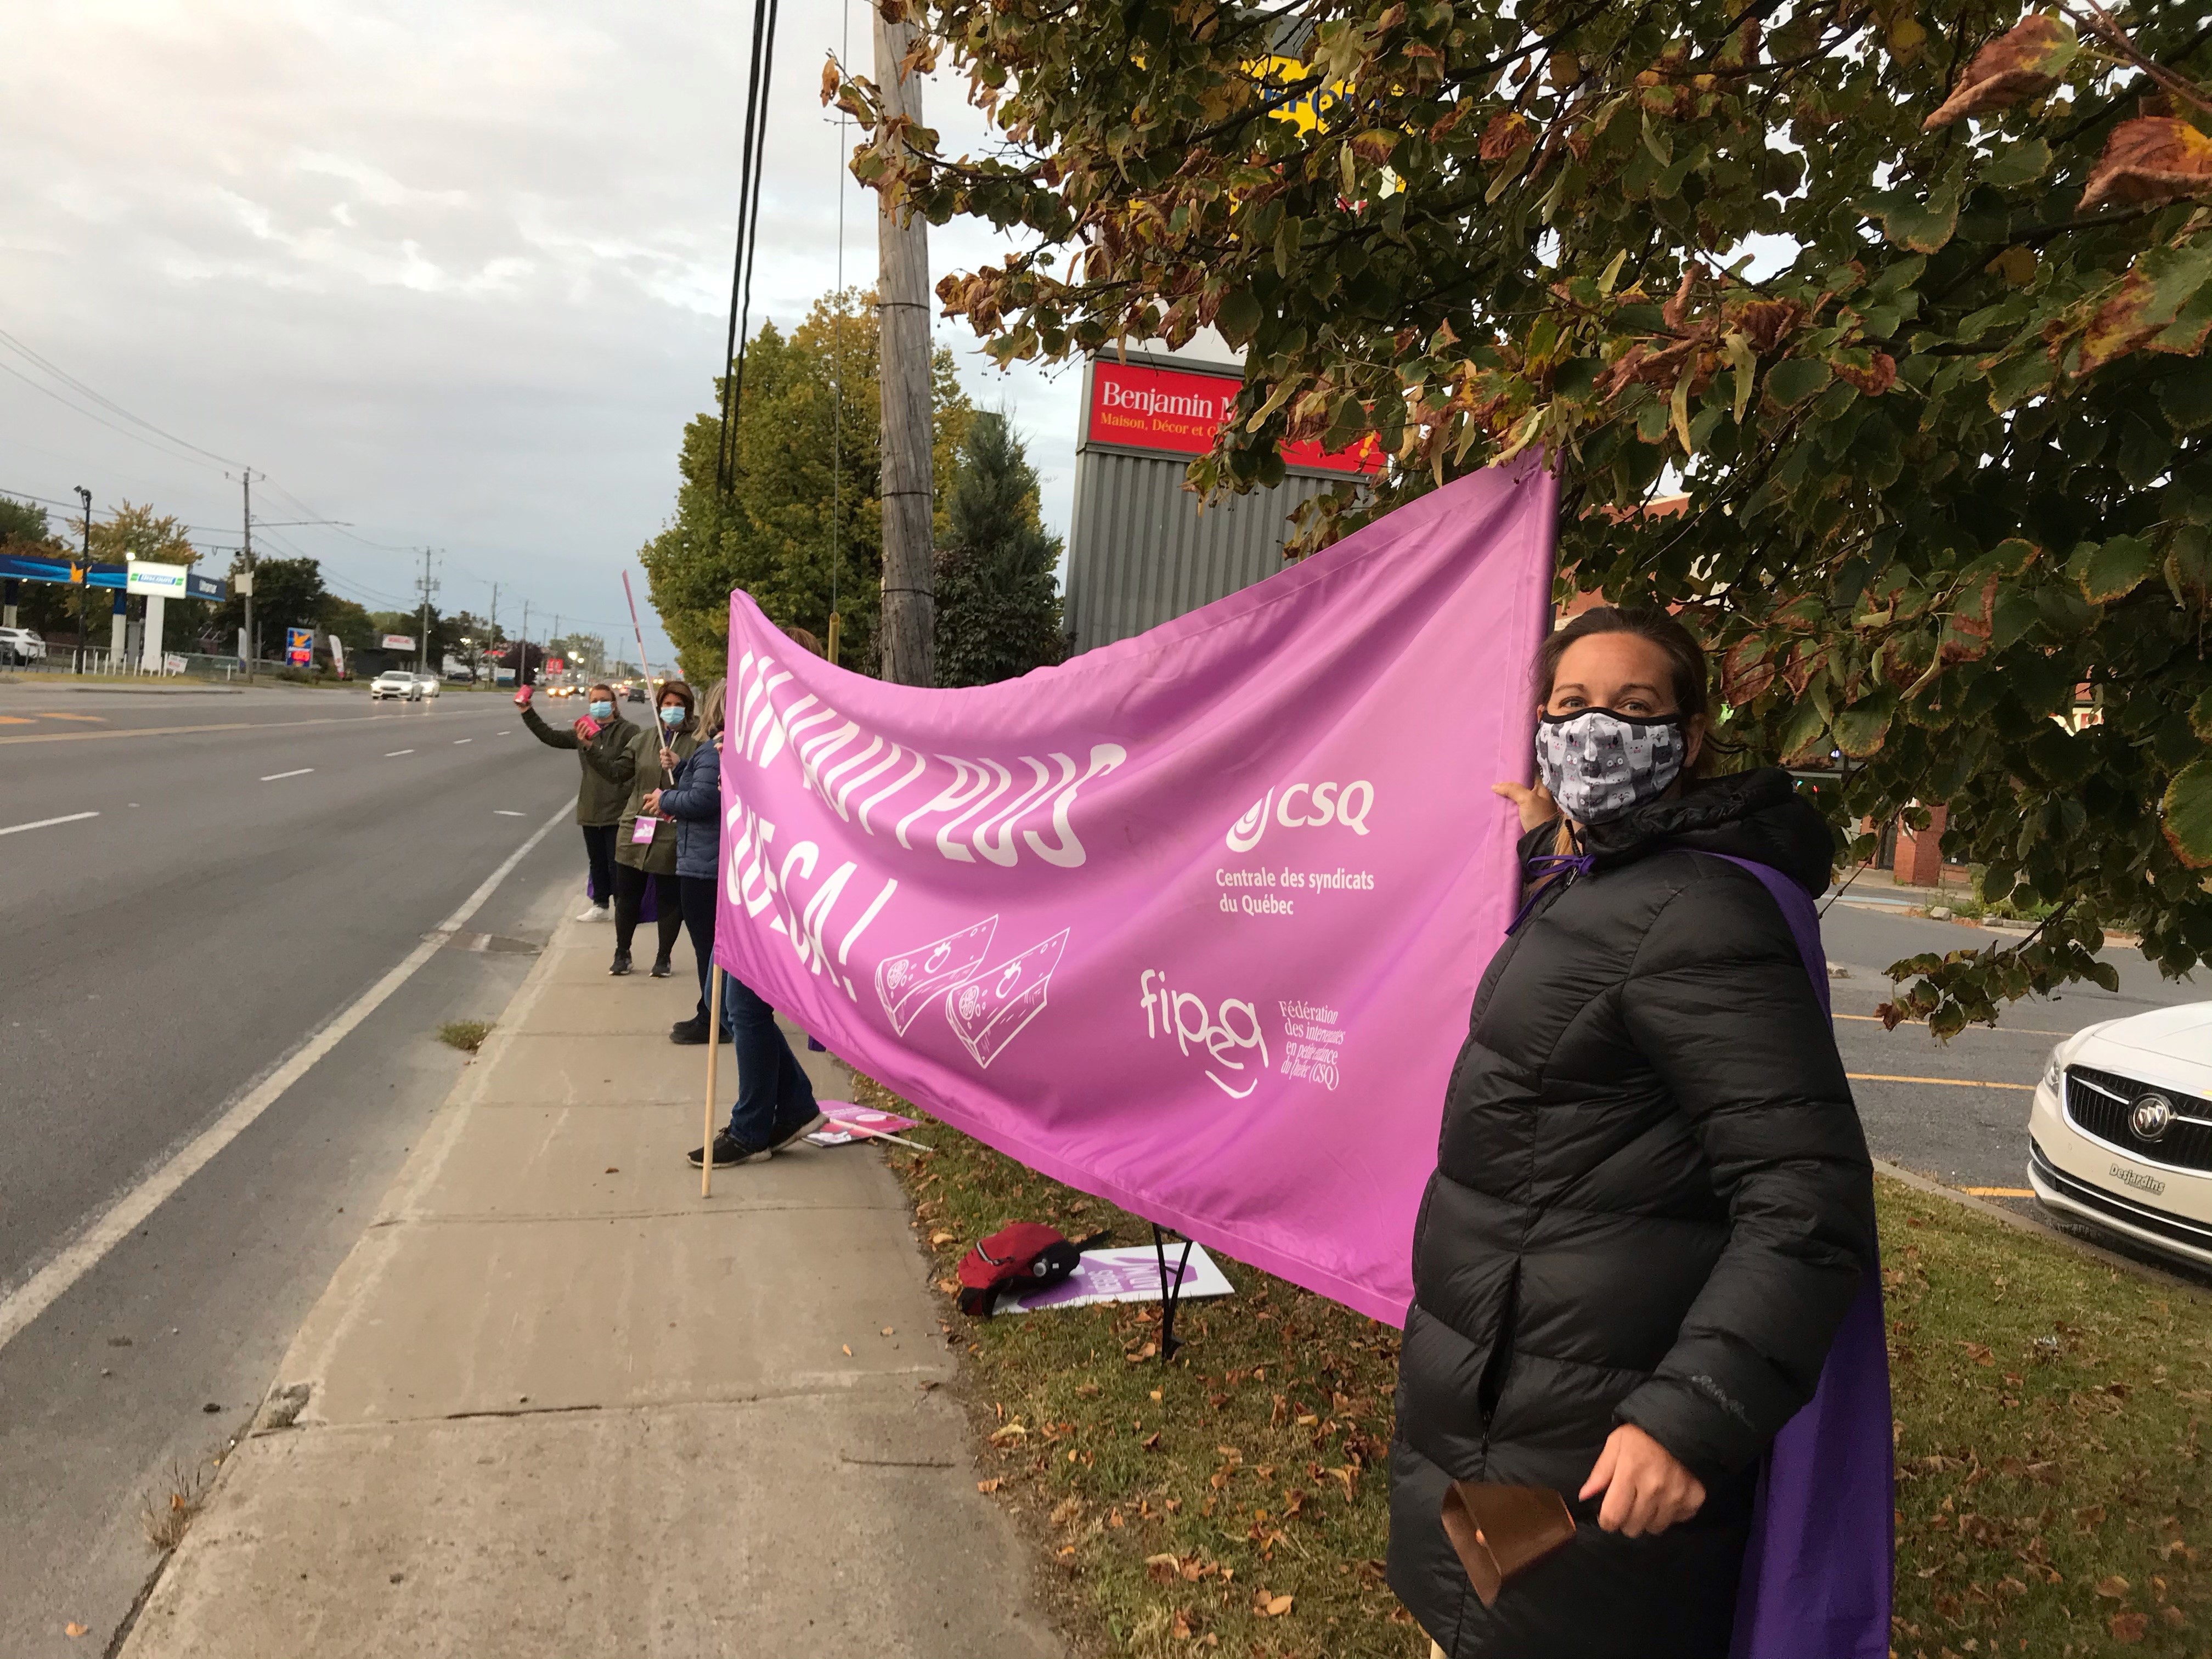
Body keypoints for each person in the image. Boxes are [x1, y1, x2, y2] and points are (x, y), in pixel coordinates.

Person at [1388, 606, 1876, 1659]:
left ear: (1689, 738)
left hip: (1584, 1435)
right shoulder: (1606, 875)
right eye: (1569, 705)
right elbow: (1598, 985)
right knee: (1472, 1625)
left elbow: (1804, 1195)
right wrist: (1545, 834)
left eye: (1633, 706)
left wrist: (1687, 1414)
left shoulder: (1698, 909)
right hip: (1510, 1399)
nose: (1594, 731)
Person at [586, 679, 697, 977]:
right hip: (637, 826)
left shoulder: (699, 744)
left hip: (672, 830)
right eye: (667, 704)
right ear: (659, 707)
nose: (672, 710)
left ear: (688, 708)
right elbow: (617, 773)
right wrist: (590, 749)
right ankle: (622, 952)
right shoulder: (643, 740)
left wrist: (681, 765)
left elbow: (704, 784)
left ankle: (664, 957)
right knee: (626, 894)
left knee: (668, 897)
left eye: (678, 705)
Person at [644, 678, 732, 1045]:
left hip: (704, 864)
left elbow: (703, 800)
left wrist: (664, 800)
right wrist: (682, 770)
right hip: (711, 859)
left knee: (707, 946)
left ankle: (714, 1017)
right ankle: (712, 1012)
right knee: (711, 946)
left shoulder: (714, 750)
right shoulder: (721, 750)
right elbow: (706, 787)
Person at [518, 680, 633, 922]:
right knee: (597, 861)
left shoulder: (628, 732)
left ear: (614, 704)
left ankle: (625, 909)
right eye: (594, 701)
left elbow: (626, 769)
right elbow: (551, 737)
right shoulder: (584, 730)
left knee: (618, 863)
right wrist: (527, 711)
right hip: (591, 807)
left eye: (604, 701)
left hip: (619, 809)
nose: (599, 705)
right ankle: (600, 905)